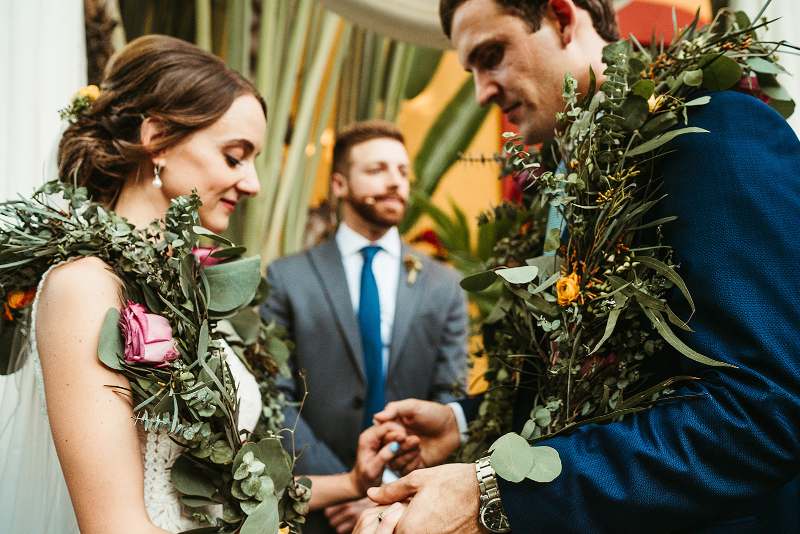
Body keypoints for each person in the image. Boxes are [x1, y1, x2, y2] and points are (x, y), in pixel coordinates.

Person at [360, 0, 800, 533]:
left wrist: (498, 496)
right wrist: (461, 422)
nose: (482, 93)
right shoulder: (557, 184)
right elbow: (587, 381)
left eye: (492, 55)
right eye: (471, 71)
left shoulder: (711, 131)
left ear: (562, 17)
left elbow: (761, 413)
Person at [0, 35, 398, 534]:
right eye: (235, 156)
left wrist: (353, 480)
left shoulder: (189, 290)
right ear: (158, 137)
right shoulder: (84, 287)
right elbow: (114, 525)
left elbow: (221, 487)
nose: (252, 183)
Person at [262, 120, 469, 534]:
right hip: (311, 505)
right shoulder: (287, 278)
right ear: (339, 184)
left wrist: (388, 490)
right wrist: (345, 487)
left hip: (409, 508)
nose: (395, 182)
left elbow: (450, 395)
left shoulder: (443, 285)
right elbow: (275, 398)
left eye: (402, 171)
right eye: (377, 170)